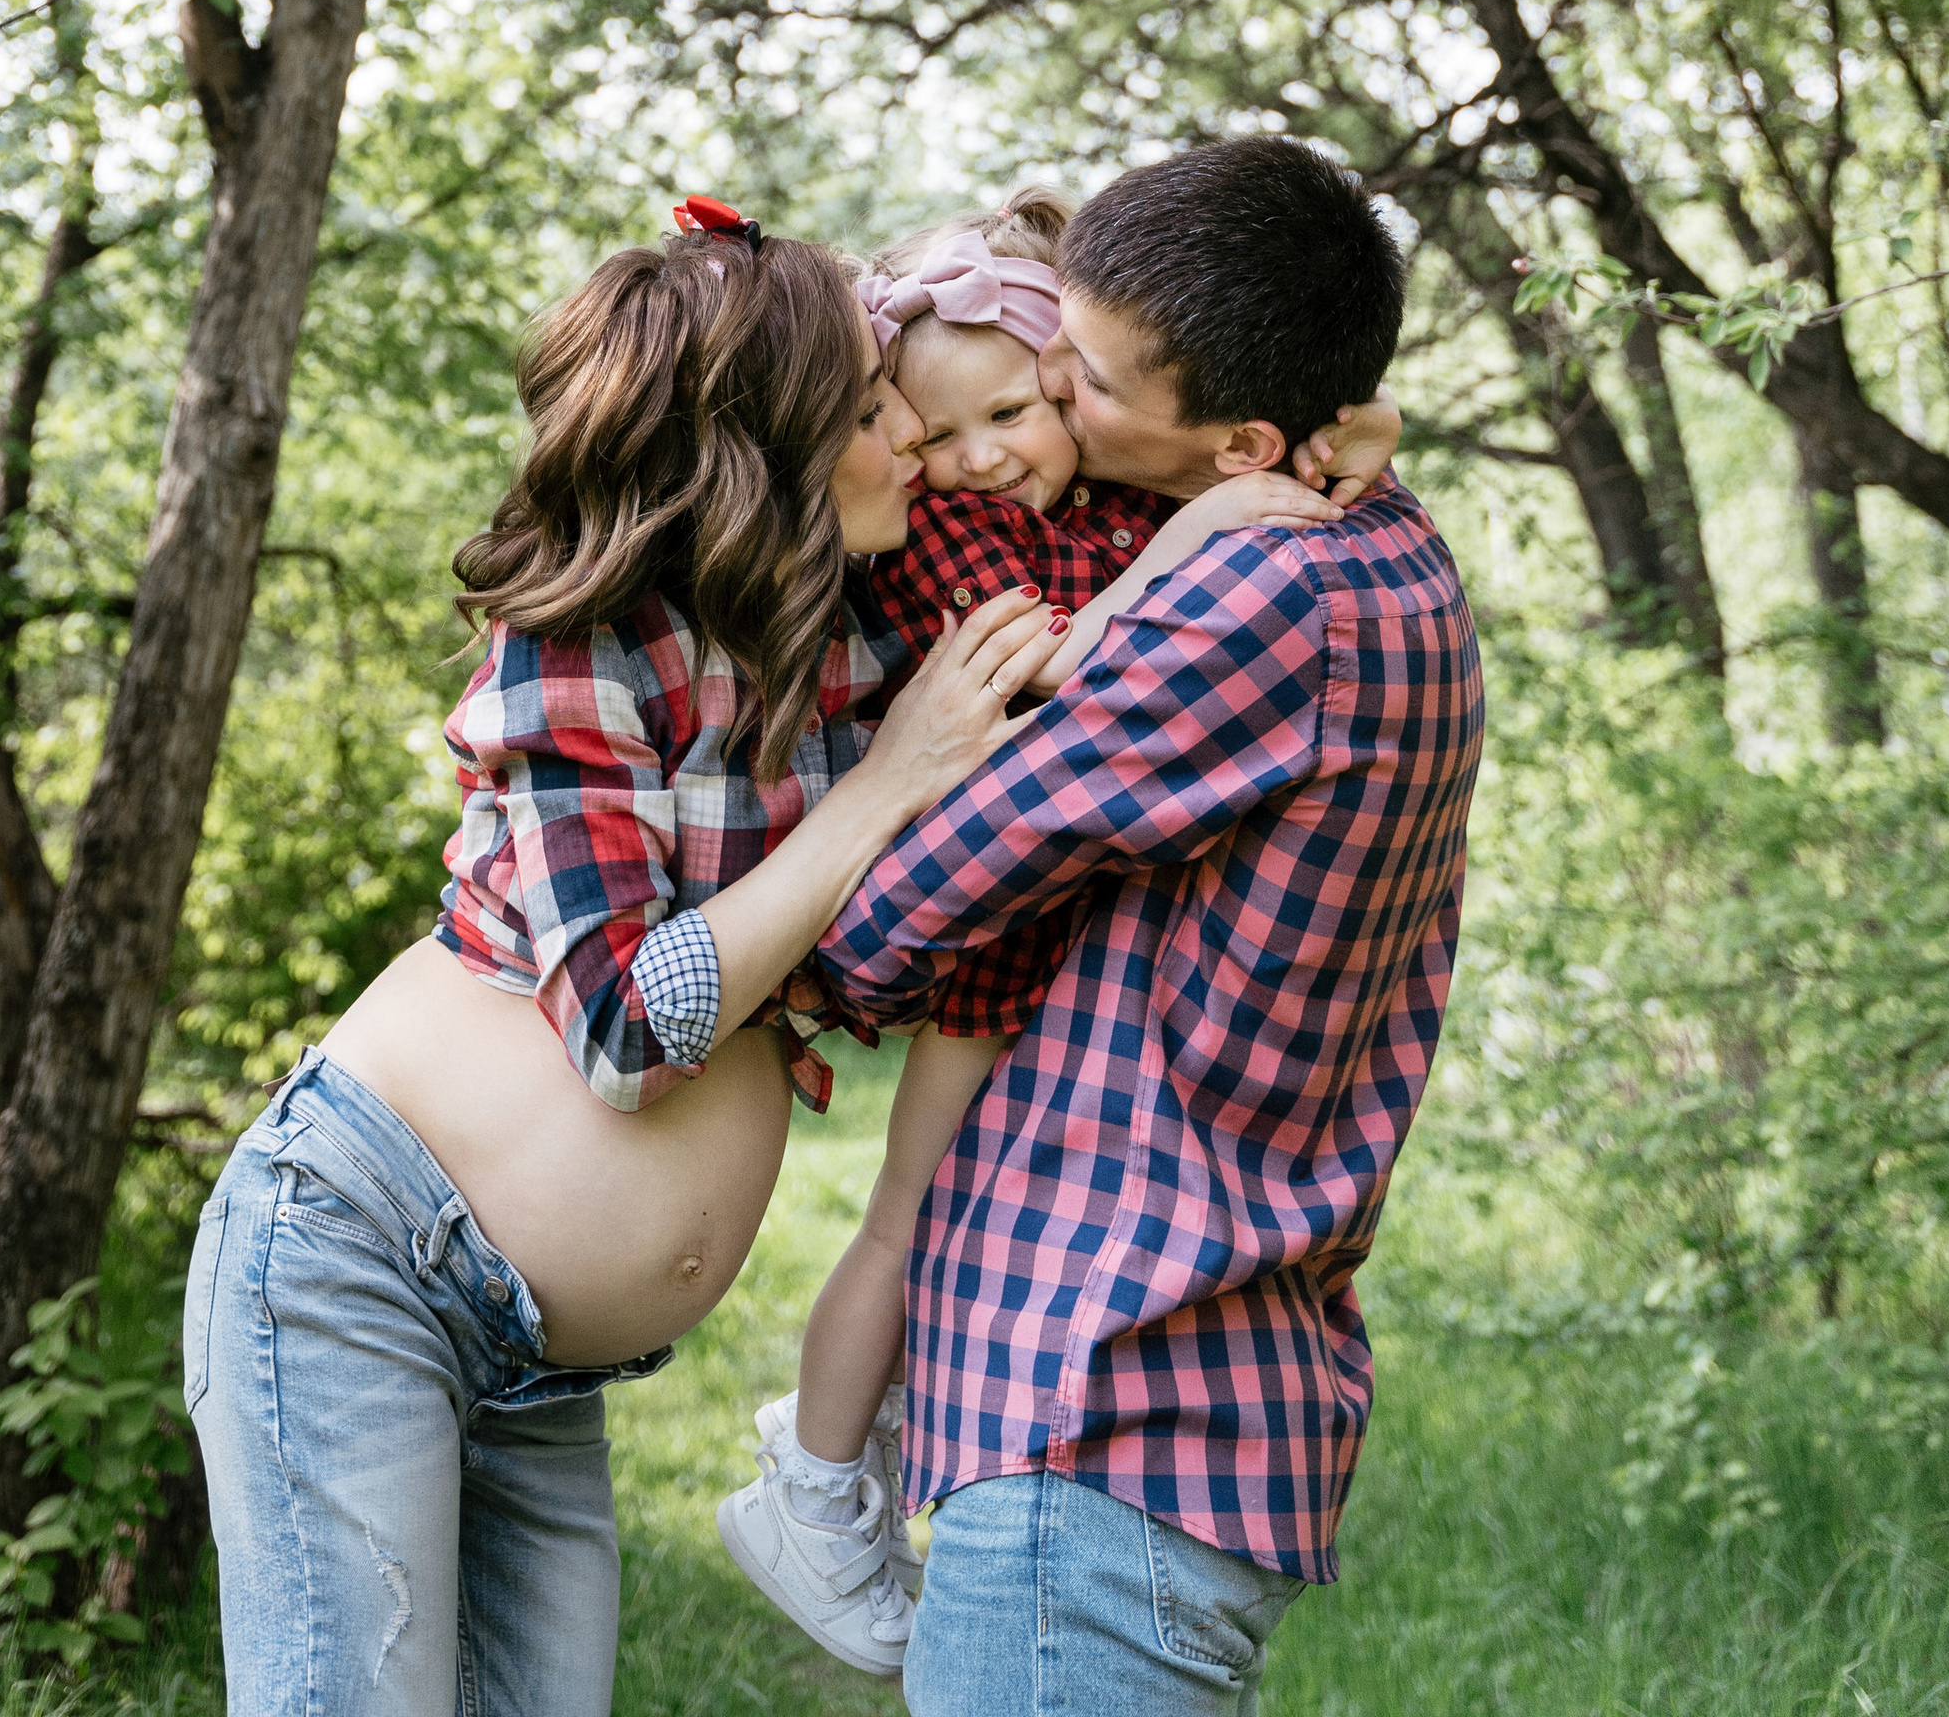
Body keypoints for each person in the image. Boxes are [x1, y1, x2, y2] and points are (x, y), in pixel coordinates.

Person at [183, 193, 1395, 1717]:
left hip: (536, 1345)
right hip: (364, 1261)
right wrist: (891, 784)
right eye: (882, 414)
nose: (931, 449)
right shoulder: (582, 649)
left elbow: (1097, 488)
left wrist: (1327, 430)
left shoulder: (855, 631)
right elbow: (626, 1029)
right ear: (773, 448)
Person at [817, 139, 1485, 1717]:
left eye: (1087, 376)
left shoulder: (1253, 599)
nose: (1046, 383)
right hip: (1182, 1395)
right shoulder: (1375, 535)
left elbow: (892, 926)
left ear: (1243, 438)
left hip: (1108, 1399)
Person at [715, 191, 1350, 1674]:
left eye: (1014, 408)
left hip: (1086, 948)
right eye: (934, 437)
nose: (981, 455)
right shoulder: (957, 535)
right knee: (906, 1212)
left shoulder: (1109, 501)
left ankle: (864, 1436)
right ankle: (806, 1481)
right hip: (995, 957)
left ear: (1067, 376)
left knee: (976, 1220)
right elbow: (1055, 671)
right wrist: (1207, 536)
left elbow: (1257, 447)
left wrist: (1324, 450)